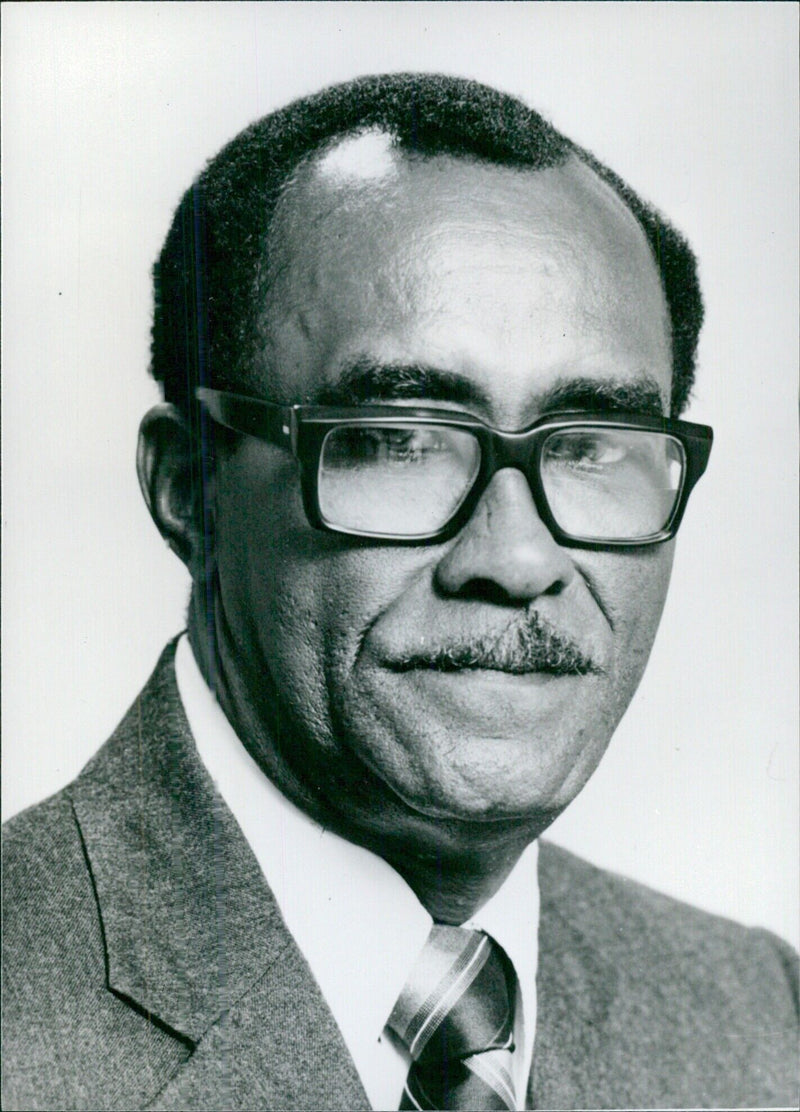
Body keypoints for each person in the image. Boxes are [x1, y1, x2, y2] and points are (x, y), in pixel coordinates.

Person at [2, 73, 797, 1112]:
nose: (514, 560)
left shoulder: (761, 1017)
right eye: (398, 440)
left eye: (591, 446)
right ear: (189, 488)